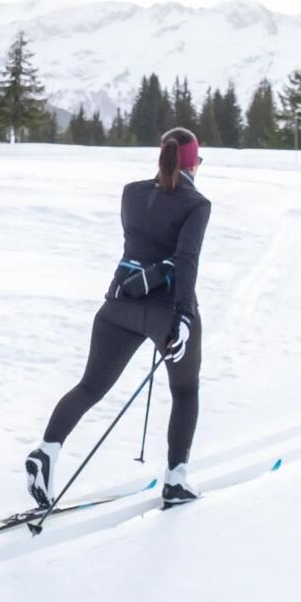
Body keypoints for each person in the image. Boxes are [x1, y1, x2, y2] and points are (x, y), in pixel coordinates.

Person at [27, 126, 211, 511]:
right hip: (164, 312)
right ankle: (176, 481)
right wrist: (183, 317)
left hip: (120, 305)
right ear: (194, 161)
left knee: (89, 388)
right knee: (185, 391)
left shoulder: (131, 192)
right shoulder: (197, 204)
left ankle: (46, 451)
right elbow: (186, 262)